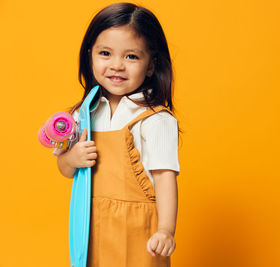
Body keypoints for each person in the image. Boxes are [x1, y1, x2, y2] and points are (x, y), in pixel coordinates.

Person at [53, 2, 181, 266]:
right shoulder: (84, 114)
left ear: (150, 65)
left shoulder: (156, 119)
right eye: (105, 53)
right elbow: (66, 168)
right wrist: (71, 158)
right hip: (91, 224)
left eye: (131, 56)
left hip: (138, 229)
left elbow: (165, 176)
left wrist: (166, 229)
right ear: (90, 56)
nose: (117, 65)